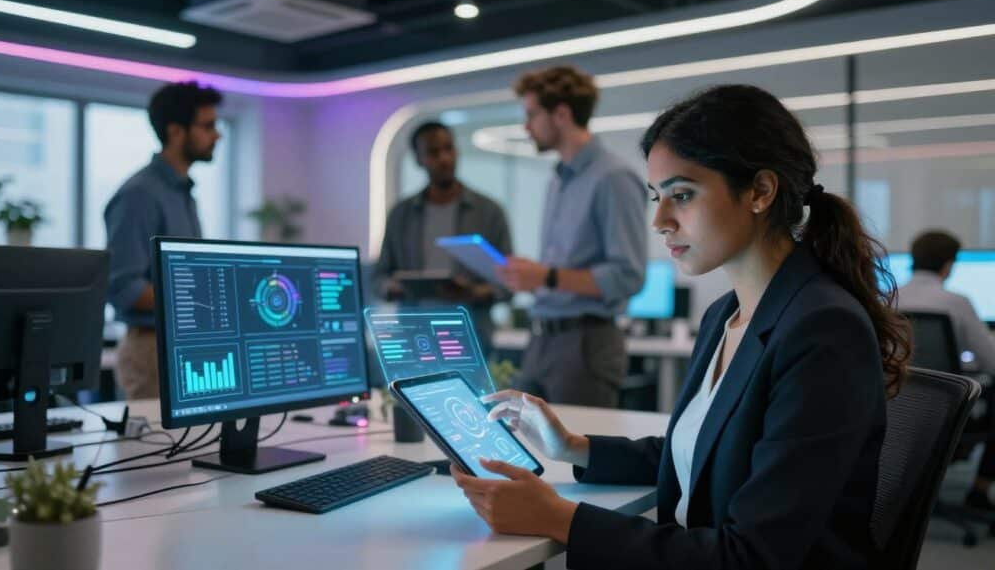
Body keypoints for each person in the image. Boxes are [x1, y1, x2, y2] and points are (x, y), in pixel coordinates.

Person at [451, 84, 912, 569]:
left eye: (682, 195)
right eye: (657, 197)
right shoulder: (726, 316)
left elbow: (753, 559)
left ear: (759, 191)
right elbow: (707, 452)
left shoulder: (822, 329)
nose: (660, 221)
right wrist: (572, 447)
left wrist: (562, 519)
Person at [502, 65, 646, 408]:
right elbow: (563, 269)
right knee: (528, 452)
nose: (527, 126)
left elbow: (628, 276)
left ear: (562, 114)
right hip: (542, 338)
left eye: (532, 114)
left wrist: (545, 276)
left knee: (577, 459)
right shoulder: (557, 180)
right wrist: (534, 276)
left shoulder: (613, 178)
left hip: (586, 344)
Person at [105, 81, 222, 399]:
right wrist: (205, 301)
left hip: (185, 348)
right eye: (208, 126)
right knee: (157, 449)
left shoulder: (182, 193)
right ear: (175, 132)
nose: (217, 135)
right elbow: (124, 287)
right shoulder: (139, 195)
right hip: (151, 350)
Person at [374, 121, 512, 352]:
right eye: (433, 152)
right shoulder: (401, 215)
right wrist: (393, 287)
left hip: (471, 339)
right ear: (419, 159)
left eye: (449, 148)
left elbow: (509, 283)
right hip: (416, 339)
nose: (444, 158)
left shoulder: (489, 212)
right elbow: (378, 277)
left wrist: (473, 292)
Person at [897, 229, 995, 511]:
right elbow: (990, 363)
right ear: (949, 265)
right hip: (947, 408)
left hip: (897, 403)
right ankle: (979, 491)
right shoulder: (956, 302)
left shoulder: (888, 296)